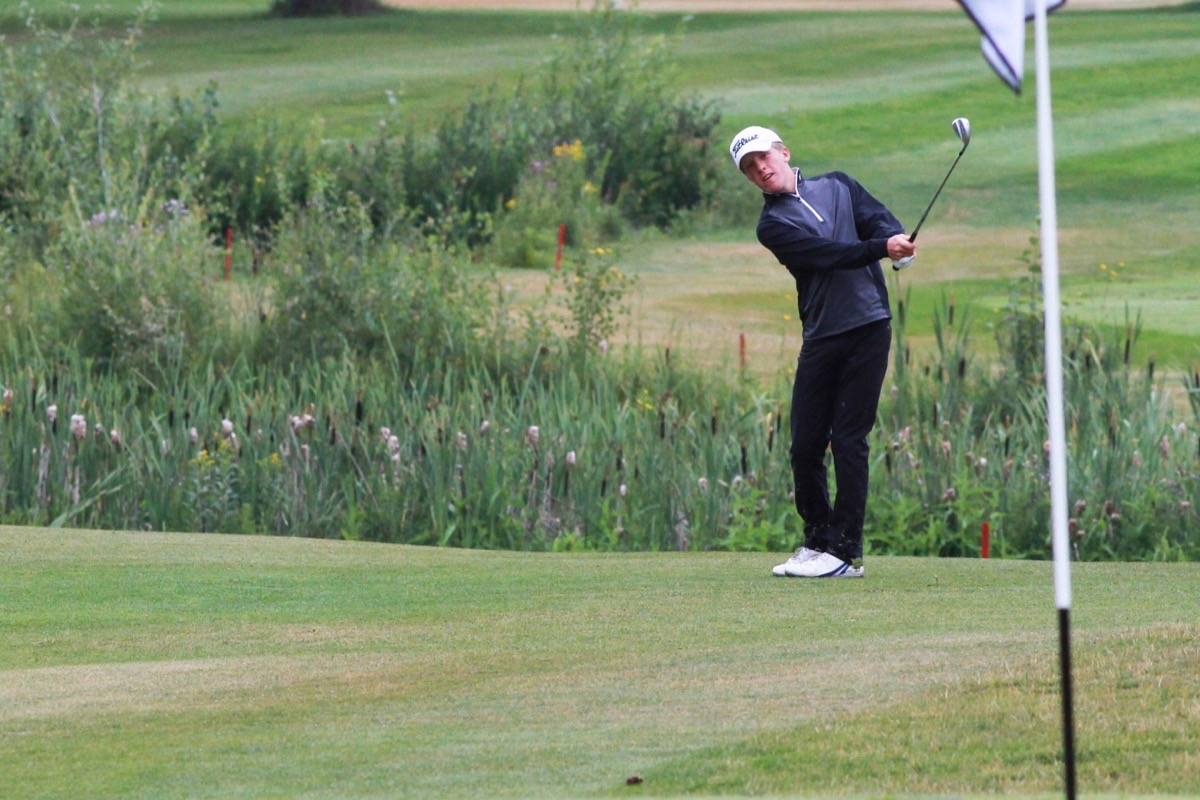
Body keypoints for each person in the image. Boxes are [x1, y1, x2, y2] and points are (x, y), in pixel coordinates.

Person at [729, 125, 916, 579]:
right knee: (805, 445)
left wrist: (897, 245)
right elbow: (829, 253)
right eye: (750, 168)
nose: (760, 170)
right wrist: (880, 248)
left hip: (869, 325)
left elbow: (877, 219)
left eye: (763, 158)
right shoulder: (772, 225)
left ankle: (845, 552)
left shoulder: (838, 184)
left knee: (850, 440)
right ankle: (818, 541)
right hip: (822, 334)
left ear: (784, 152)